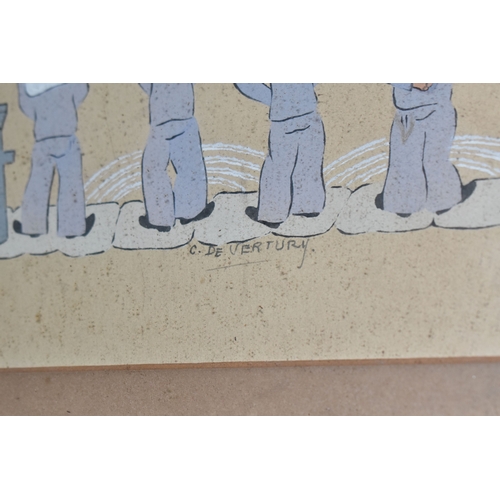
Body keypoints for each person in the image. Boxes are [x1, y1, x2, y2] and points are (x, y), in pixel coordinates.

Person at [234, 83, 326, 228]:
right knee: (309, 159)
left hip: (284, 116)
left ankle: (273, 215)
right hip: (308, 109)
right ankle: (308, 206)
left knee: (279, 167)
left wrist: (277, 100)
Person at [14, 83, 94, 238]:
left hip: (42, 140)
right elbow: (81, 91)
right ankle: (72, 228)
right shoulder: (67, 85)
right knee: (71, 182)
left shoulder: (32, 89)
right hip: (66, 137)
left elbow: (26, 106)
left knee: (37, 183)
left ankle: (32, 226)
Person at [378, 83, 463, 216]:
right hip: (413, 110)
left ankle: (439, 201)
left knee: (428, 158)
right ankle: (405, 203)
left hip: (427, 107)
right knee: (408, 158)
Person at [138, 83, 213, 232]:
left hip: (160, 114)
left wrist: (156, 91)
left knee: (155, 168)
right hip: (183, 110)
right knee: (189, 164)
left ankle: (160, 219)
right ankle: (191, 211)